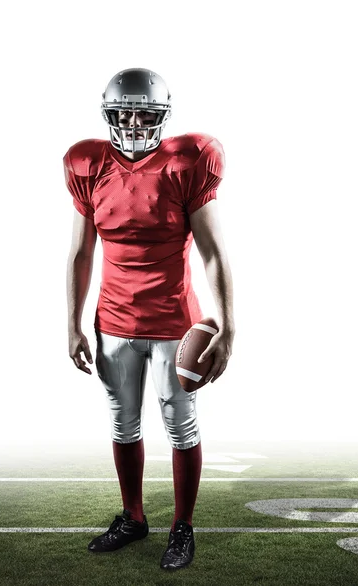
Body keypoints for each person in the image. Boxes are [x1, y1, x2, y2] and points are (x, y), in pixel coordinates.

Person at [63, 68, 235, 571]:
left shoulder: (187, 161)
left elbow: (213, 253)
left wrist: (228, 326)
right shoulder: (88, 163)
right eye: (125, 113)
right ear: (109, 115)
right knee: (123, 422)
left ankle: (183, 528)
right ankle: (133, 517)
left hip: (174, 321)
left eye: (145, 114)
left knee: (180, 425)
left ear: (163, 117)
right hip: (112, 319)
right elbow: (80, 252)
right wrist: (72, 324)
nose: (135, 123)